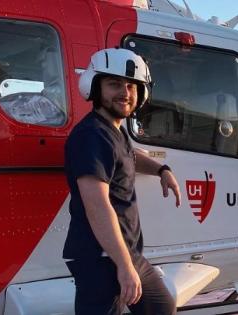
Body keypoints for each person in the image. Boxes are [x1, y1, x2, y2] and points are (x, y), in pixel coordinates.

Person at [63, 48, 181, 315]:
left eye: (131, 86)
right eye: (114, 84)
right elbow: (97, 205)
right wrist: (124, 266)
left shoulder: (112, 132)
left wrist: (162, 169)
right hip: (101, 256)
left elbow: (128, 156)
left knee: (161, 307)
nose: (125, 92)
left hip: (123, 253)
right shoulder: (91, 136)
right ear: (95, 88)